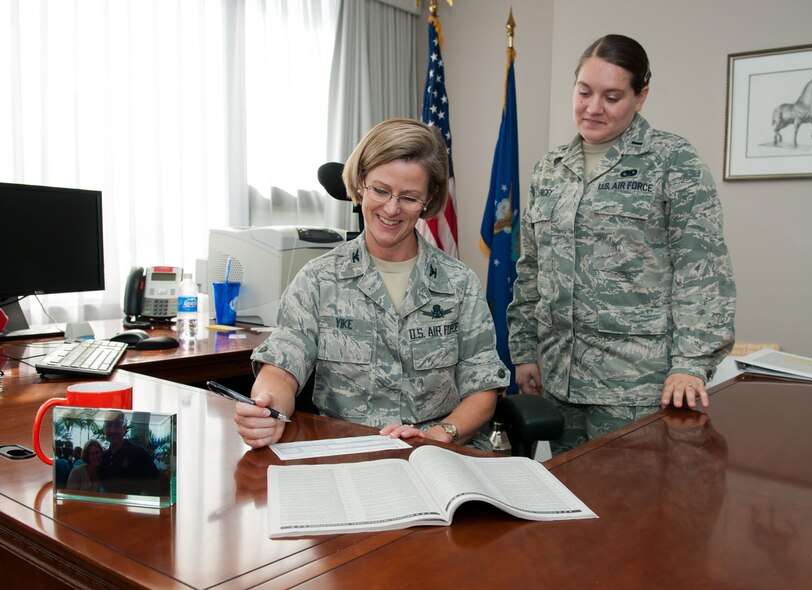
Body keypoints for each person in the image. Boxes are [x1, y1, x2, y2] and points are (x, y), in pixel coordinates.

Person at [507, 34, 736, 454]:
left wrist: (690, 365)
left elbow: (702, 271)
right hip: (560, 378)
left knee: (628, 510)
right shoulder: (550, 169)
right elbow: (531, 268)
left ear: (640, 96)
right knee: (570, 503)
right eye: (584, 92)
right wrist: (524, 351)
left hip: (636, 386)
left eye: (612, 96)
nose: (593, 108)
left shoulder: (672, 161)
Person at [236, 118, 509, 449]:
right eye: (380, 190)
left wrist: (440, 435)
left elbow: (483, 389)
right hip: (347, 454)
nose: (391, 209)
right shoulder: (319, 279)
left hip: (436, 457)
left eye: (409, 197)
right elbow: (281, 367)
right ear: (361, 182)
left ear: (428, 199)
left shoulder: (459, 283)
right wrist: (266, 407)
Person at [98, 411, 159, 495]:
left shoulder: (139, 454)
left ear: (124, 428)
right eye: (109, 425)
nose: (113, 430)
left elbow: (155, 487)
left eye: (117, 425)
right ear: (104, 429)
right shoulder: (103, 457)